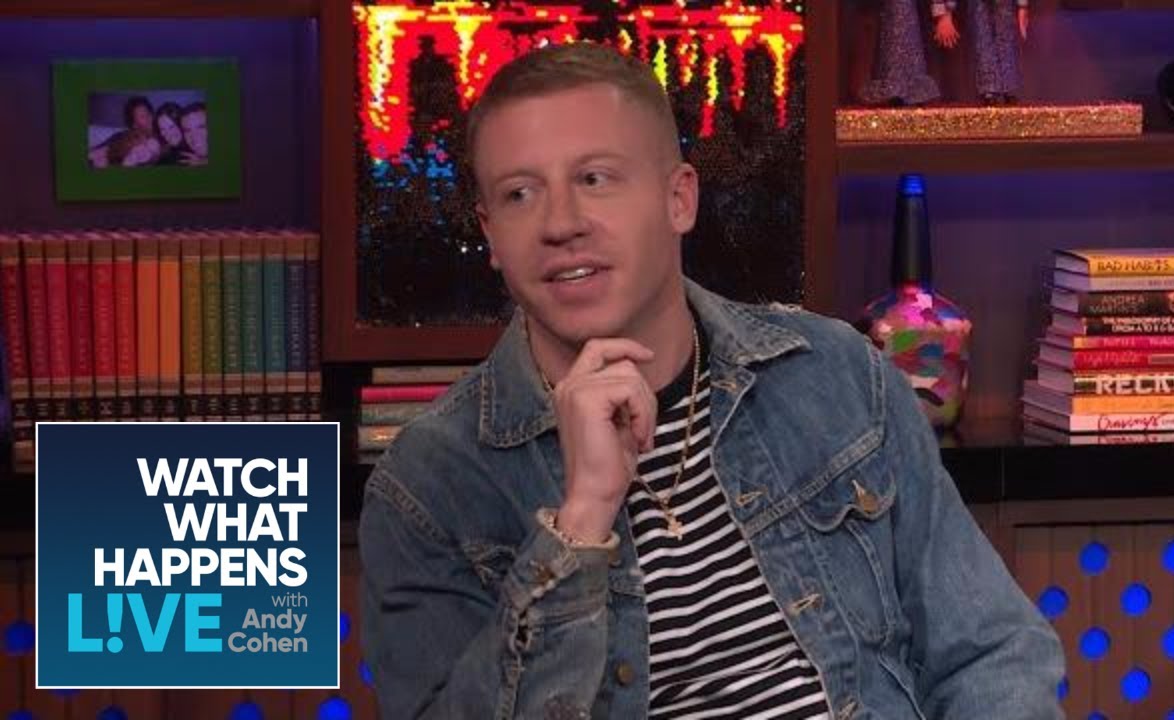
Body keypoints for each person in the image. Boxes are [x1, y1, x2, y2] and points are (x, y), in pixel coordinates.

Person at [360, 41, 1064, 719]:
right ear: (490, 234)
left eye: (595, 179)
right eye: (520, 193)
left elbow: (991, 652)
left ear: (679, 199)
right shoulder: (428, 485)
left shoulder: (839, 374)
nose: (561, 224)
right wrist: (580, 521)